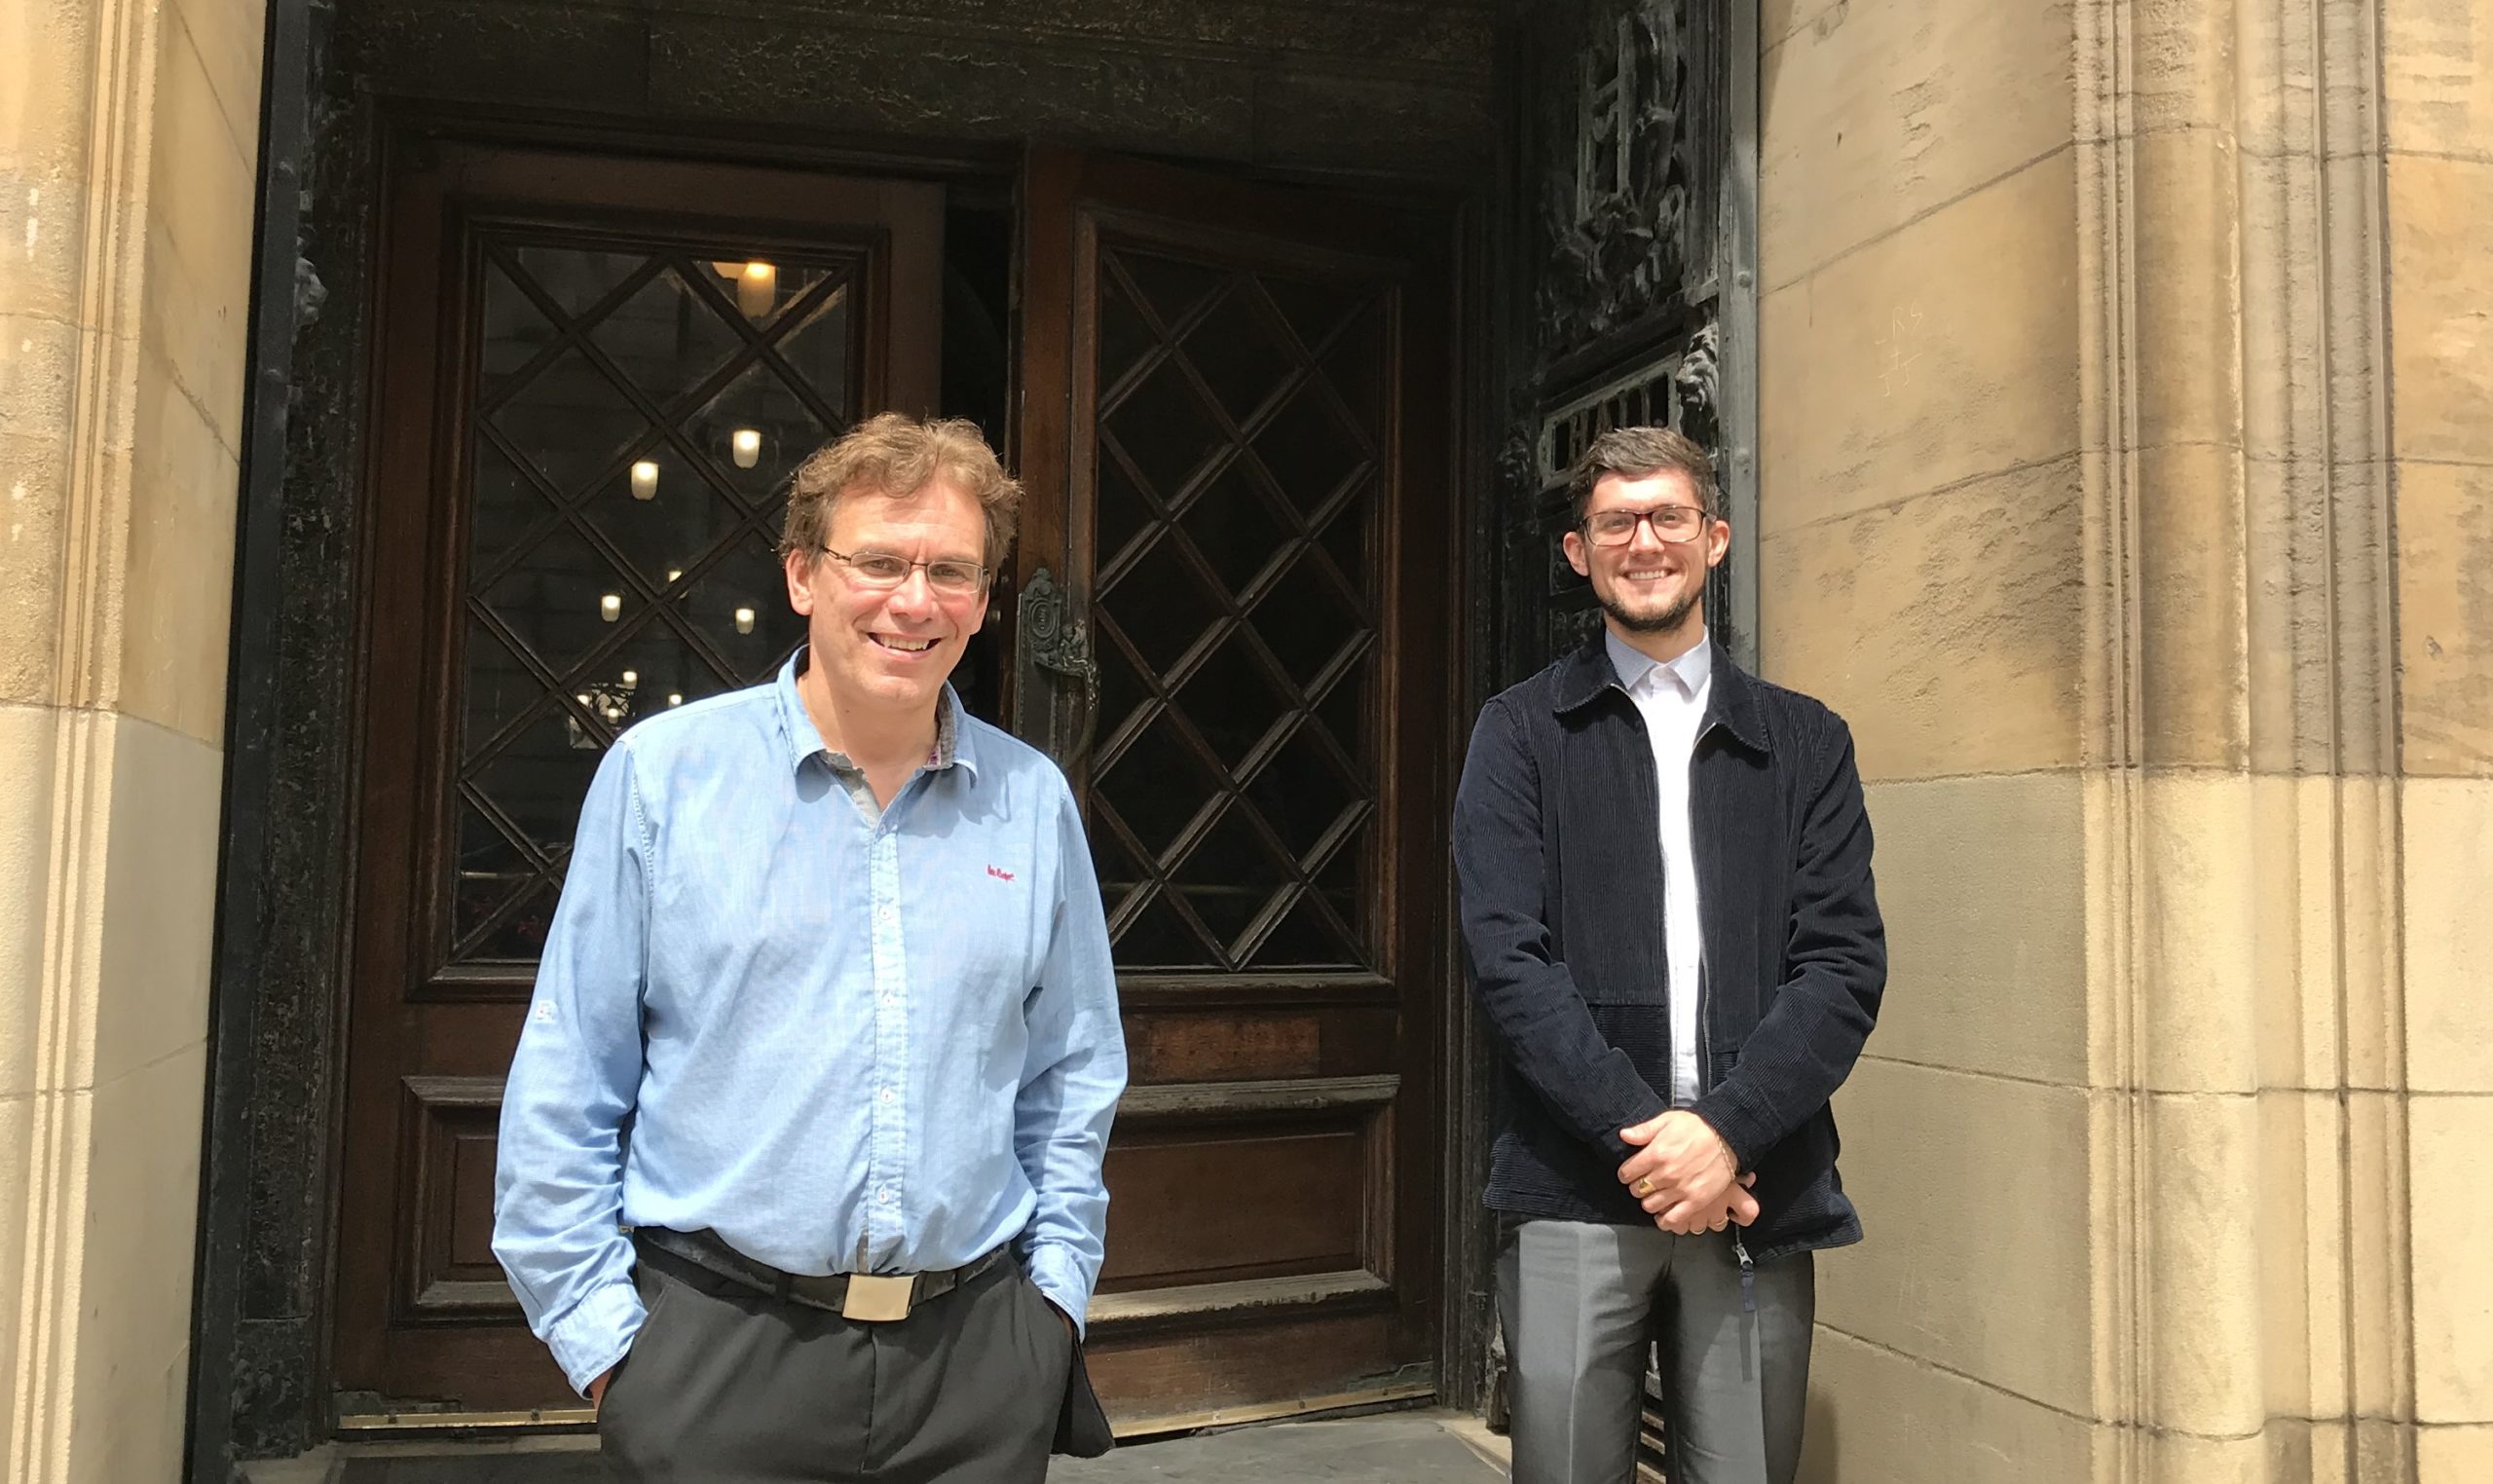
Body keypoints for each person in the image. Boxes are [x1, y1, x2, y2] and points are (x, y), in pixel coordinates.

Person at [493, 413, 1126, 1482]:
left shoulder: (1031, 801)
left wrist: (1051, 1310)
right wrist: (614, 1354)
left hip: (974, 1364)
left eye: (951, 571)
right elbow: (569, 1076)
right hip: (717, 1359)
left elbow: (1070, 1074)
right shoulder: (664, 779)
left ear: (981, 598)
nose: (914, 601)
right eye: (878, 561)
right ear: (802, 577)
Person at [1453, 426, 1885, 1484]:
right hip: (1571, 1186)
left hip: (1753, 1193)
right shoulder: (1516, 735)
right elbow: (1509, 963)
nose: (1642, 542)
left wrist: (1726, 1134)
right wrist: (1657, 1149)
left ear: (1715, 537)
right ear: (1577, 551)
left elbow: (1840, 964)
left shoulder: (1806, 741)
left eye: (1667, 517)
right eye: (1615, 523)